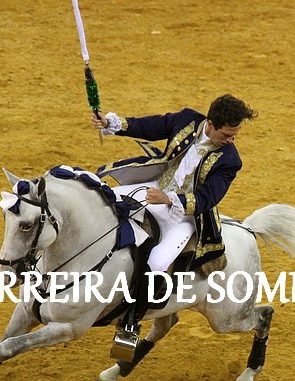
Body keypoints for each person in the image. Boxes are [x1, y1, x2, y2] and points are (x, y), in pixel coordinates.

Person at [91, 94, 257, 344]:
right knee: (103, 201)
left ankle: (131, 322)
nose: (230, 140)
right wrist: (111, 123)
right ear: (211, 124)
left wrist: (169, 199)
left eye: (234, 135)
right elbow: (150, 126)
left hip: (184, 215)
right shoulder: (187, 120)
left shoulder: (230, 160)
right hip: (156, 187)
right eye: (226, 135)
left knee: (158, 261)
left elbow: (207, 198)